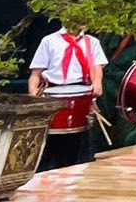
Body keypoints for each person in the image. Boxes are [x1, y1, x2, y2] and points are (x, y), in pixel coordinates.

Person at [29, 10, 107, 168]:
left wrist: (97, 83)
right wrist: (34, 95)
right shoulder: (49, 41)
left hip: (81, 95)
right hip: (53, 93)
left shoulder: (92, 42)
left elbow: (97, 67)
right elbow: (36, 73)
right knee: (50, 148)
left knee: (79, 145)